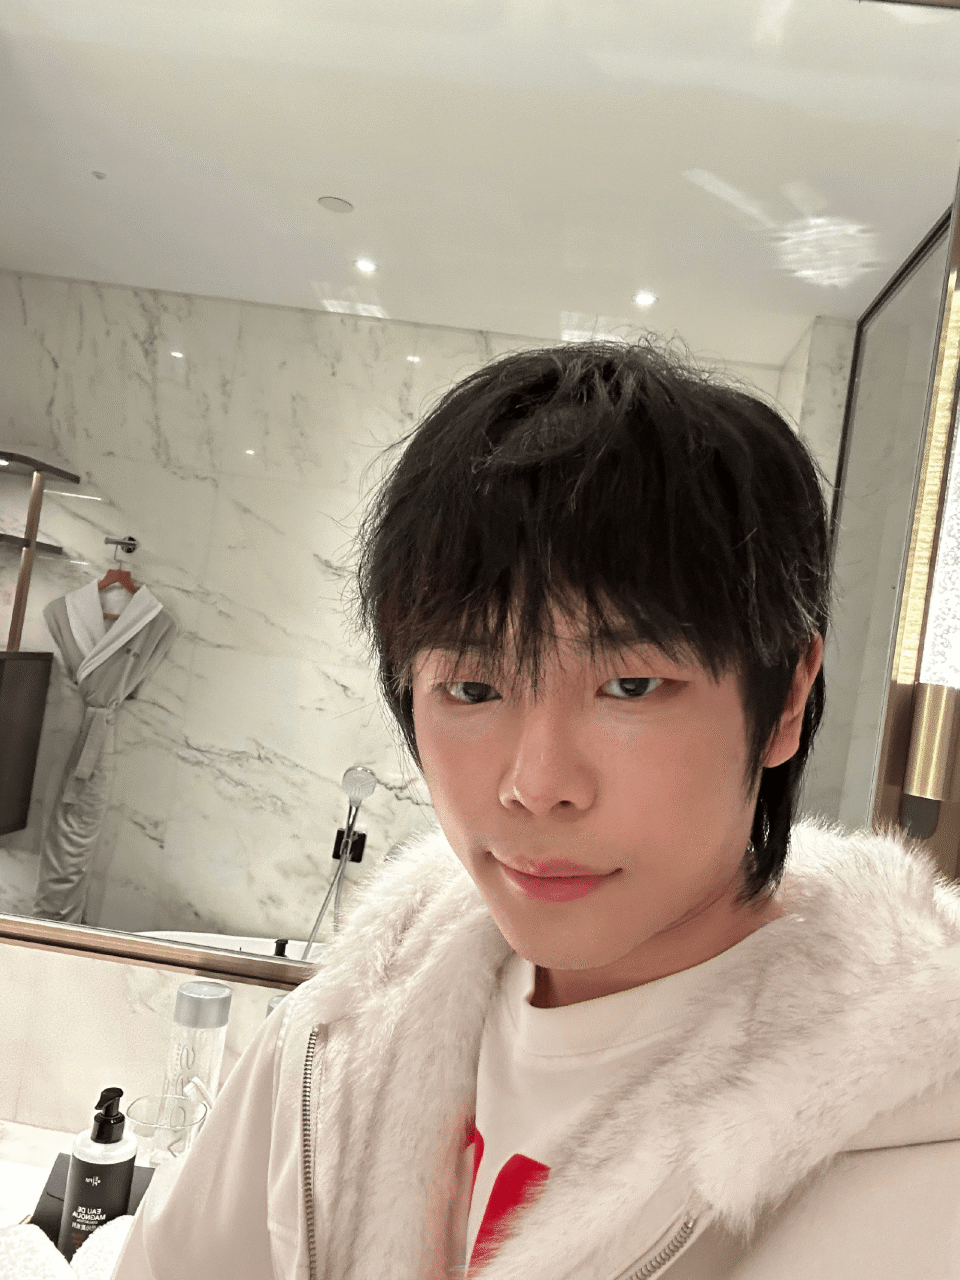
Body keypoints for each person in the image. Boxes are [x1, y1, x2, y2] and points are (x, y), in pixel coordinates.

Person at [112, 339, 960, 1280]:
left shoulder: (919, 1150)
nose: (537, 782)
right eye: (473, 688)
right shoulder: (336, 1045)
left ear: (788, 698)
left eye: (631, 685)